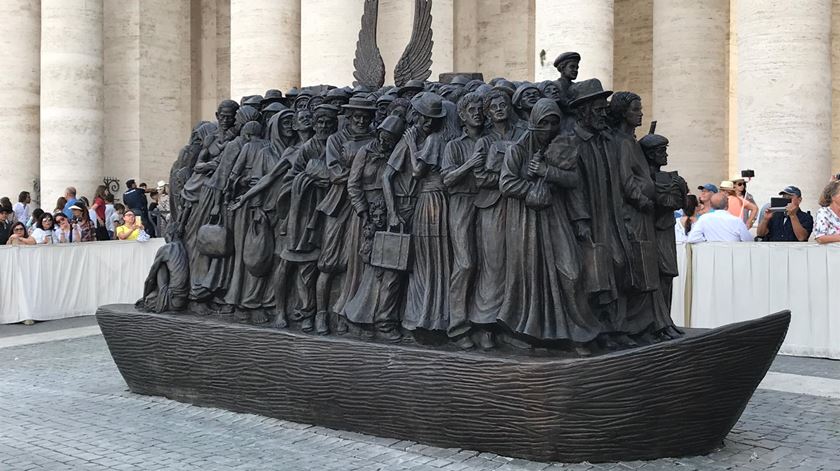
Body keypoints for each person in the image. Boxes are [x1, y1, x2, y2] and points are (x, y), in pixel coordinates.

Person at [686, 193, 753, 243]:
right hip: (733, 256)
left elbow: (692, 238)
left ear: (711, 205)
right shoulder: (737, 221)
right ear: (727, 204)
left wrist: (708, 240)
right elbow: (749, 240)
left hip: (712, 256)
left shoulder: (704, 219)